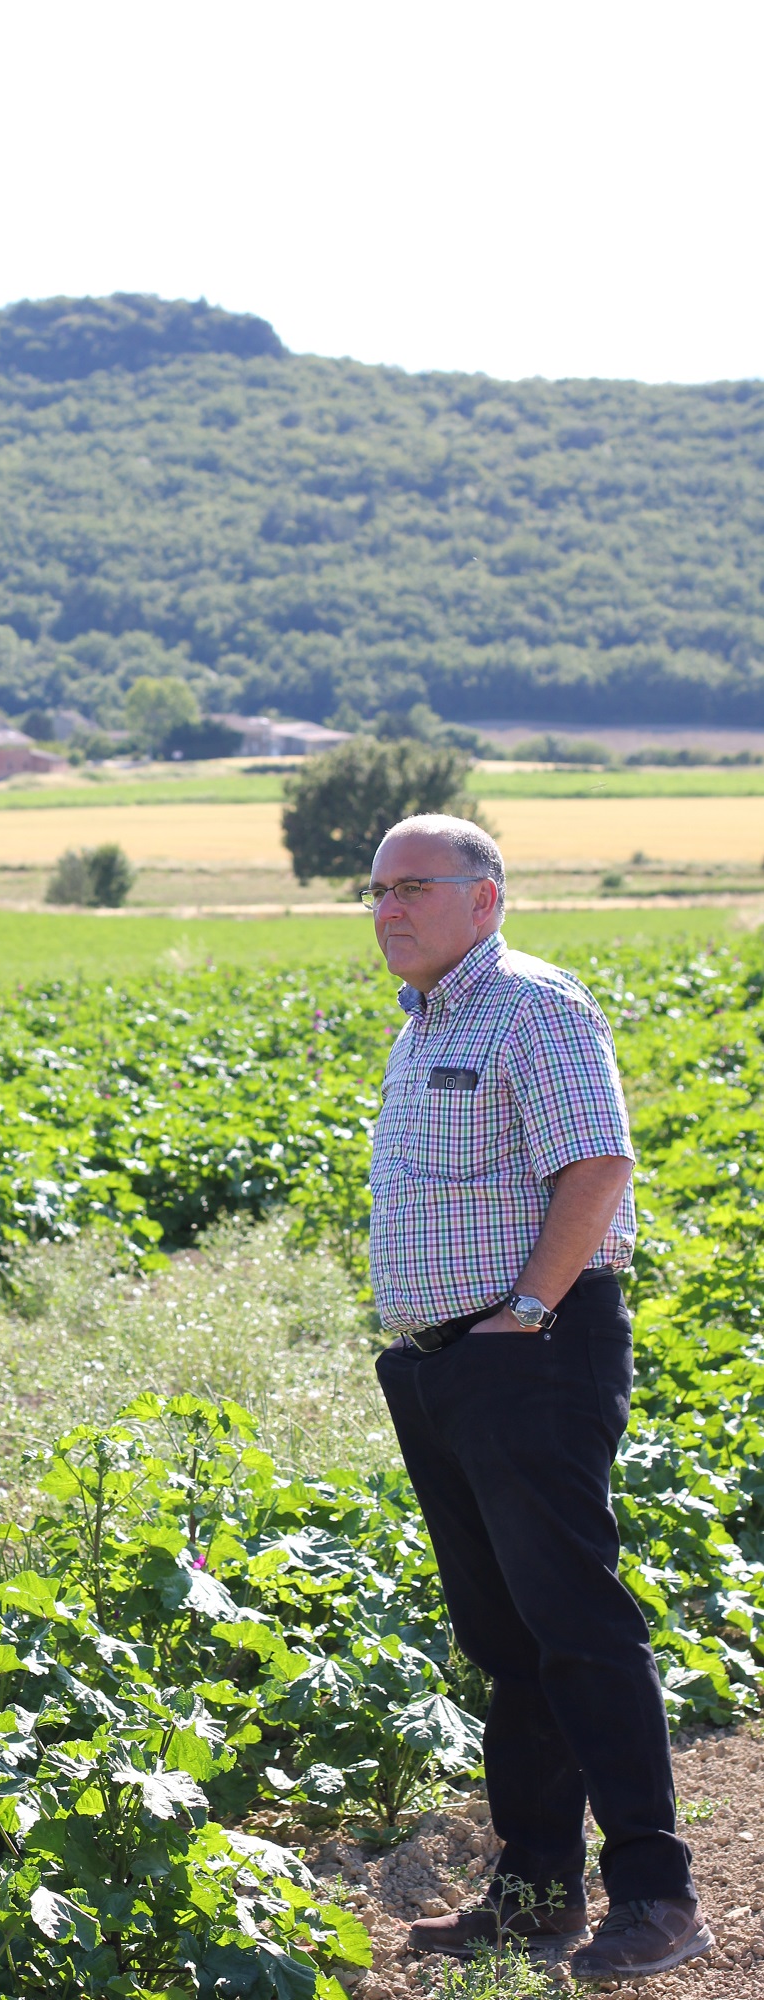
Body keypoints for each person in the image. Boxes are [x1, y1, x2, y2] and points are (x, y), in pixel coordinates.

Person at [363, 813, 712, 1983]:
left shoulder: (536, 1005)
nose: (390, 908)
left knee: (575, 1624)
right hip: (442, 1360)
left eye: (415, 886)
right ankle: (533, 1890)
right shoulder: (421, 1027)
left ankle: (658, 1895)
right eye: (376, 890)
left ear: (487, 897)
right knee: (508, 1636)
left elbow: (599, 1163)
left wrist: (525, 1311)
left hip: (531, 1352)